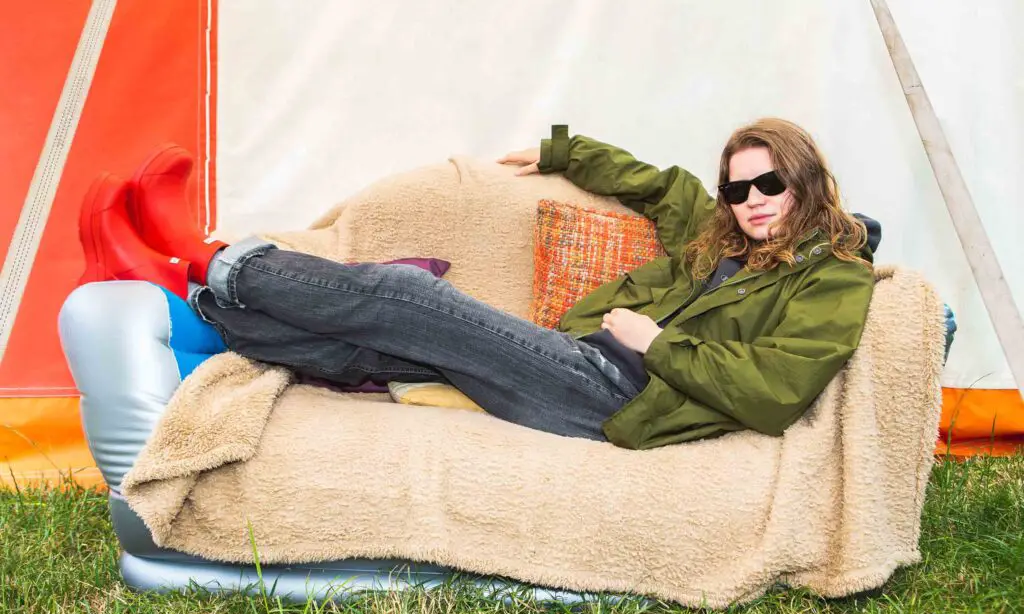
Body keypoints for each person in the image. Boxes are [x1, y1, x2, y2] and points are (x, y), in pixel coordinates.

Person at [78, 119, 879, 449]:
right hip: (578, 358)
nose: (752, 203)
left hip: (620, 398)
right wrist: (561, 150)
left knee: (415, 299)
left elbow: (777, 391)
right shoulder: (718, 235)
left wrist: (657, 340)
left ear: (805, 178)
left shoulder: (837, 277)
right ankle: (188, 293)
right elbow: (661, 185)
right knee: (370, 338)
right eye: (737, 190)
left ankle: (201, 252)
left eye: (768, 184)